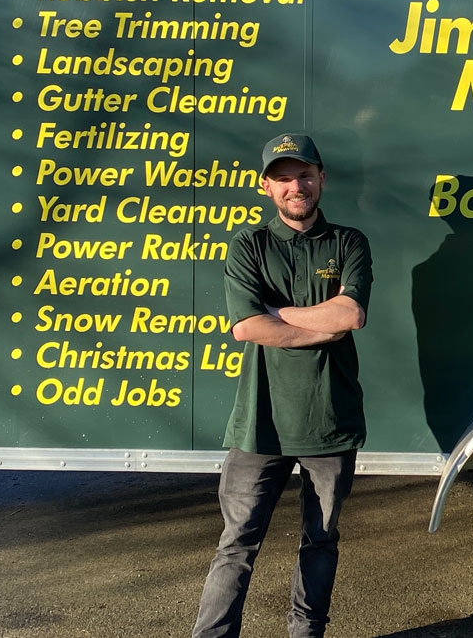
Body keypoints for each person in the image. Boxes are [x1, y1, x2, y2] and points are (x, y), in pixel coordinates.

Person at [193, 133, 373, 638]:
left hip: (330, 423)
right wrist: (316, 324)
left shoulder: (348, 243)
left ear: (321, 178)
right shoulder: (250, 245)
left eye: (305, 174)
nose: (297, 186)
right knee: (237, 546)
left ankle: (305, 633)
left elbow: (351, 314)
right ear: (266, 186)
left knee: (321, 542)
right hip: (259, 426)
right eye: (285, 177)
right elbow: (247, 327)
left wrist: (278, 315)